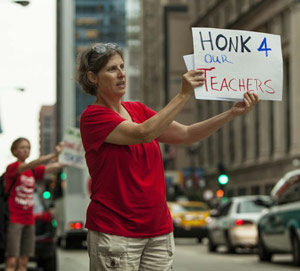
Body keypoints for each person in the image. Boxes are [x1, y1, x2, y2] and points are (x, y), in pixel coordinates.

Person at [77, 42, 259, 271]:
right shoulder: (93, 117)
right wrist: (183, 94)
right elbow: (143, 133)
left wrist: (231, 113)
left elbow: (186, 134)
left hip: (159, 231)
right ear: (93, 77)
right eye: (112, 69)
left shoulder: (139, 110)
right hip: (116, 232)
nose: (122, 74)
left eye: (122, 66)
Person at [4, 138, 65, 271]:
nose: (26, 150)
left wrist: (66, 155)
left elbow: (54, 167)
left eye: (28, 147)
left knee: (24, 260)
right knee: (12, 260)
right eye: (22, 147)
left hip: (29, 220)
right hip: (15, 220)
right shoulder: (13, 168)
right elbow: (33, 163)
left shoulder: (31, 172)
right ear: (15, 151)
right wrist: (53, 155)